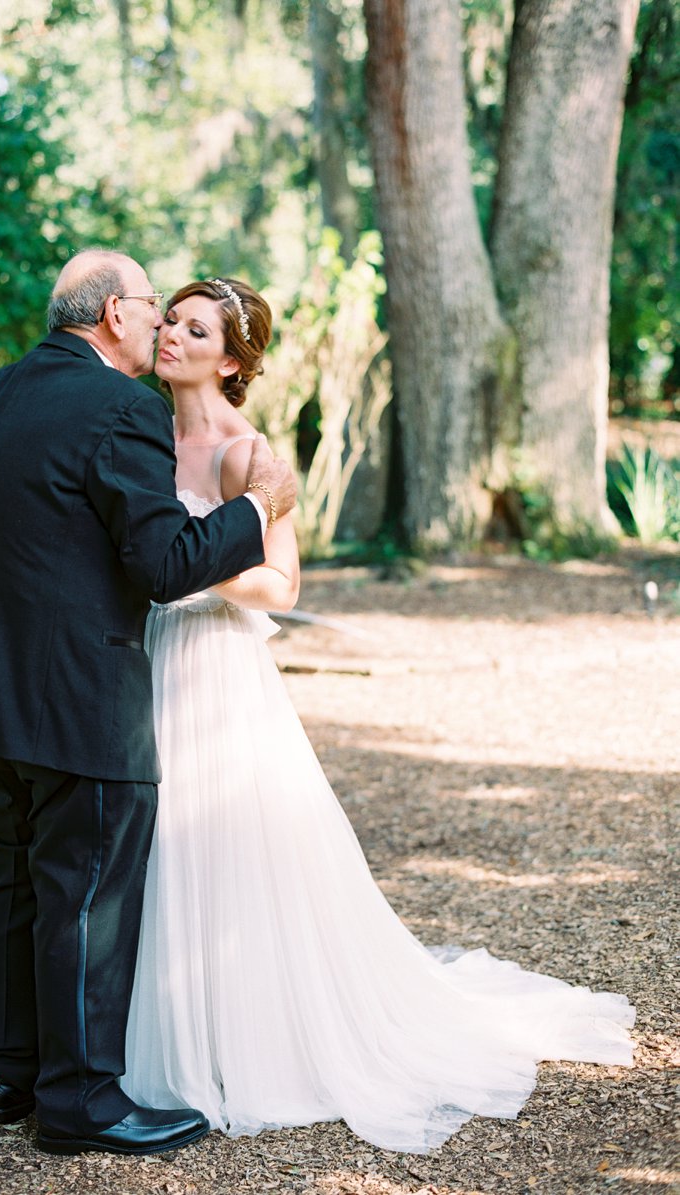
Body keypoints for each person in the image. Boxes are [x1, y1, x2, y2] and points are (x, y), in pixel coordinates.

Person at [120, 278, 636, 1153]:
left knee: (219, 844)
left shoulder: (252, 456)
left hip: (213, 659)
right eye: (169, 319)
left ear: (233, 359)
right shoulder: (139, 435)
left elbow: (283, 585)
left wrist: (186, 565)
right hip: (144, 659)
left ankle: (241, 1037)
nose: (170, 334)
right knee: (152, 840)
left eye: (194, 327)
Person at [0, 250, 297, 1157]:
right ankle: (83, 1102)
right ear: (111, 315)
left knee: (17, 878)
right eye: (150, 306)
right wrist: (257, 509)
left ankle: (6, 1073)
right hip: (82, 696)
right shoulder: (121, 407)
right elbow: (166, 566)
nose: (159, 324)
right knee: (86, 893)